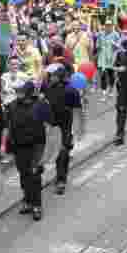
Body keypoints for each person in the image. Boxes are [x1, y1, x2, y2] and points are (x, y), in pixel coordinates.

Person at [4, 80, 51, 221]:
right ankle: (27, 200)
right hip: (20, 146)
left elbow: (49, 125)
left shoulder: (41, 104)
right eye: (17, 91)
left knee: (35, 175)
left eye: (22, 91)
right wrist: (6, 146)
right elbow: (9, 126)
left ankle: (37, 205)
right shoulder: (12, 106)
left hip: (37, 146)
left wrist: (47, 148)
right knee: (23, 175)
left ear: (29, 93)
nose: (18, 93)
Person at [42, 64, 82, 195]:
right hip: (51, 127)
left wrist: (76, 129)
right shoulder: (48, 89)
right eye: (50, 76)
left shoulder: (71, 91)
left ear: (59, 77)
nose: (51, 78)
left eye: (53, 76)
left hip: (65, 127)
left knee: (62, 155)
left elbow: (77, 111)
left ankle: (61, 181)